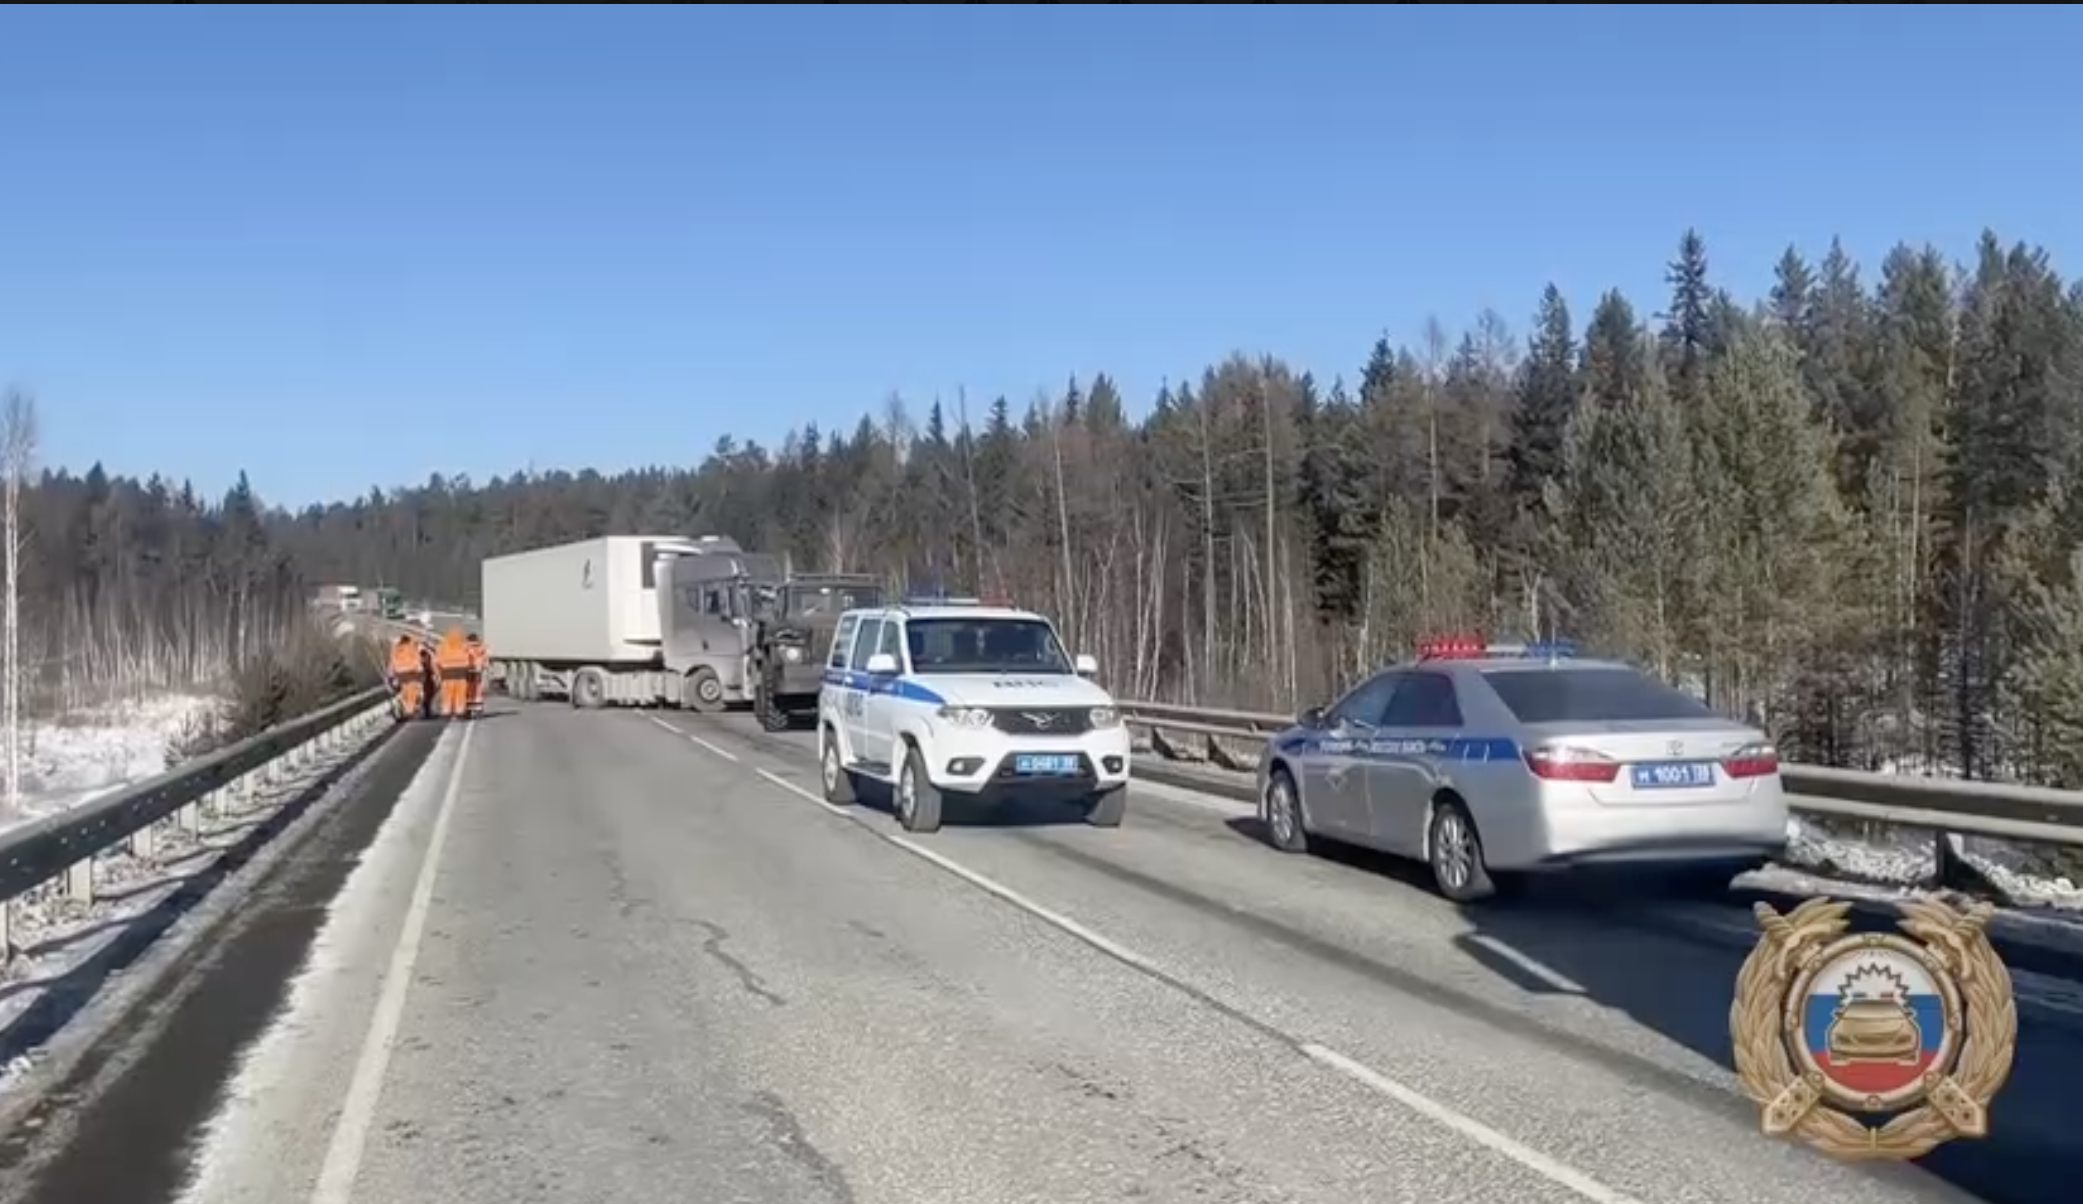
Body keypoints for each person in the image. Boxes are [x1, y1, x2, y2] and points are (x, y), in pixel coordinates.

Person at [435, 627, 472, 718]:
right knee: (460, 692)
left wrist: (437, 673)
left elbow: (436, 661)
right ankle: (459, 710)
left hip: (446, 672)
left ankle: (446, 710)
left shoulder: (442, 646)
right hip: (461, 671)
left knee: (447, 692)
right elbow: (470, 658)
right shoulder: (464, 645)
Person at [387, 635, 424, 720]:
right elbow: (417, 659)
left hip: (400, 673)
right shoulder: (412, 646)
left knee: (404, 690)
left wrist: (390, 674)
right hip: (412, 672)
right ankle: (409, 711)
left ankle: (405, 709)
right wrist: (420, 671)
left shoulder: (395, 648)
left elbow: (392, 661)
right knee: (412, 691)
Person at [464, 631, 488, 715]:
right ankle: (478, 708)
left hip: (467, 670)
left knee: (468, 689)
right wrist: (485, 667)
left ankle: (468, 708)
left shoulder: (465, 647)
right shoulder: (481, 647)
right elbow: (485, 659)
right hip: (478, 670)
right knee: (478, 688)